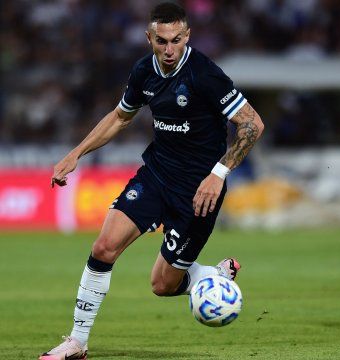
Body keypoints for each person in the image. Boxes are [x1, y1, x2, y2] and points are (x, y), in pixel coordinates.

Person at [40, 3, 264, 359]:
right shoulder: (144, 71)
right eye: (162, 41)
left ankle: (209, 274)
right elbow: (119, 117)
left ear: (187, 35)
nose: (170, 49)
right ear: (149, 38)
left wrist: (218, 173)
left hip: (198, 194)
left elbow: (253, 124)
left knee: (162, 285)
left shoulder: (205, 74)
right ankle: (77, 342)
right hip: (157, 174)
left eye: (177, 40)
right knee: (103, 248)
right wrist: (75, 153)